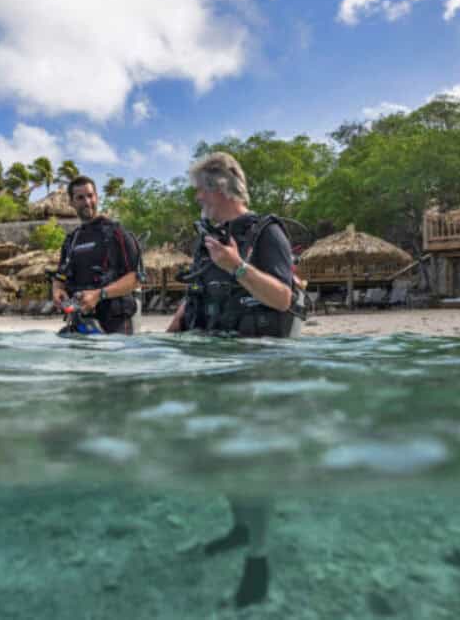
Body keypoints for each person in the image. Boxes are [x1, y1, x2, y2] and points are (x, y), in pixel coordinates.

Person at [167, 151, 306, 607]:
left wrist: (238, 266)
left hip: (257, 373)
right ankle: (240, 528)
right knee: (224, 459)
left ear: (220, 188)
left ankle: (258, 559)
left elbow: (284, 298)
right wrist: (167, 338)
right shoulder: (207, 239)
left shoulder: (266, 233)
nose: (196, 197)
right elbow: (196, 295)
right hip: (213, 367)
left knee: (252, 467)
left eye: (200, 189)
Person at [51, 176, 144, 335]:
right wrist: (57, 291)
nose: (87, 202)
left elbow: (136, 279)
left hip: (116, 324)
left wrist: (98, 295)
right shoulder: (71, 240)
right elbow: (60, 277)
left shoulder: (117, 233)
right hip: (81, 321)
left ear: (97, 197)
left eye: (90, 195)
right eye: (80, 198)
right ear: (71, 202)